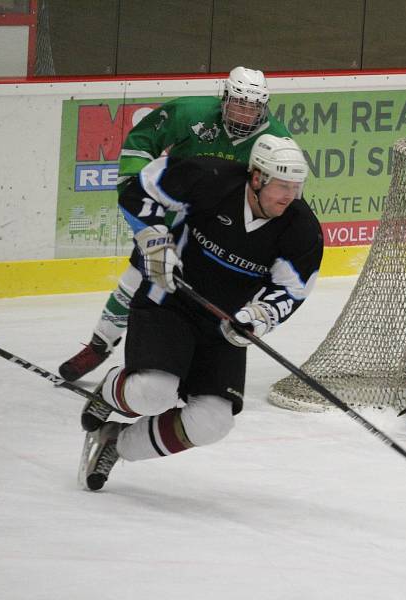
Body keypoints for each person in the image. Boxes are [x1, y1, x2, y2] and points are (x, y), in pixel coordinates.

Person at [79, 134, 323, 491]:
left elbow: (291, 289)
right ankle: (110, 390)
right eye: (281, 186)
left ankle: (116, 442)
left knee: (213, 422)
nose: (289, 196)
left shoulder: (301, 229)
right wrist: (154, 238)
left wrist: (258, 317)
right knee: (154, 392)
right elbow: (141, 187)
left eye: (296, 187)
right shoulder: (210, 178)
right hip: (170, 301)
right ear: (257, 178)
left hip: (225, 324)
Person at [59, 66, 291, 382]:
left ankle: (192, 365)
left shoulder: (276, 141)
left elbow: (281, 195)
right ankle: (100, 345)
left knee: (212, 301)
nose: (244, 112)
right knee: (134, 282)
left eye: (252, 106)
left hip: (222, 233)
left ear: (263, 106)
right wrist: (136, 187)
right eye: (238, 103)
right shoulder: (189, 112)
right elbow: (142, 140)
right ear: (225, 98)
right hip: (172, 221)